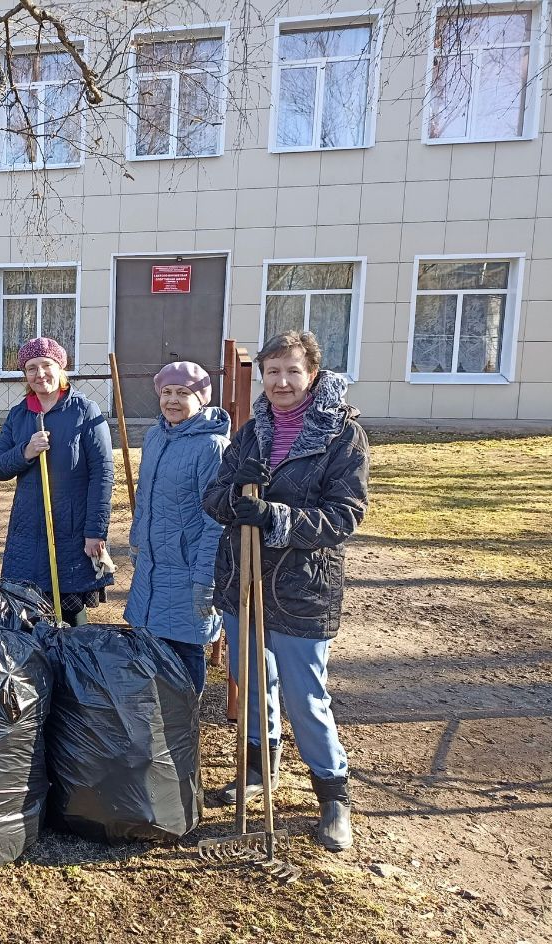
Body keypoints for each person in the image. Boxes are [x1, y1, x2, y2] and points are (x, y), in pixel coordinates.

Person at [202, 330, 369, 852]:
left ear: (312, 375)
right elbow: (213, 497)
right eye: (272, 371)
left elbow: (345, 514)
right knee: (251, 682)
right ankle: (257, 770)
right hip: (241, 580)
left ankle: (333, 795)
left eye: (292, 371)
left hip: (302, 588)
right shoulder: (250, 433)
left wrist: (274, 516)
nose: (281, 381)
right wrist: (236, 495)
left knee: (305, 696)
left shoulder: (342, 436)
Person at [0, 337, 114, 625]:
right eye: (31, 368)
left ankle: (75, 666)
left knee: (70, 609)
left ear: (61, 368)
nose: (40, 374)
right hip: (28, 528)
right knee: (29, 609)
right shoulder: (20, 414)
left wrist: (95, 531)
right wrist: (26, 452)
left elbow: (102, 474)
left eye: (47, 365)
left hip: (71, 528)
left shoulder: (84, 411)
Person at [124, 362, 230, 695]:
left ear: (201, 399)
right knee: (152, 643)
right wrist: (137, 541)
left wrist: (205, 579)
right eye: (167, 392)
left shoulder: (212, 447)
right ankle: (160, 720)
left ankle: (185, 723)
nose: (172, 400)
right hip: (153, 563)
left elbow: (217, 520)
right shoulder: (156, 436)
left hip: (187, 568)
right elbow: (145, 495)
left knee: (185, 647)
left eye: (183, 393)